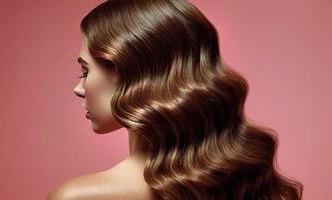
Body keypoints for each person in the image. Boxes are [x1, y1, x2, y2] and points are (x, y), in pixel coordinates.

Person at [46, 0, 303, 199]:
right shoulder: (237, 184)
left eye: (85, 71)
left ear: (131, 72)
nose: (79, 88)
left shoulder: (78, 197)